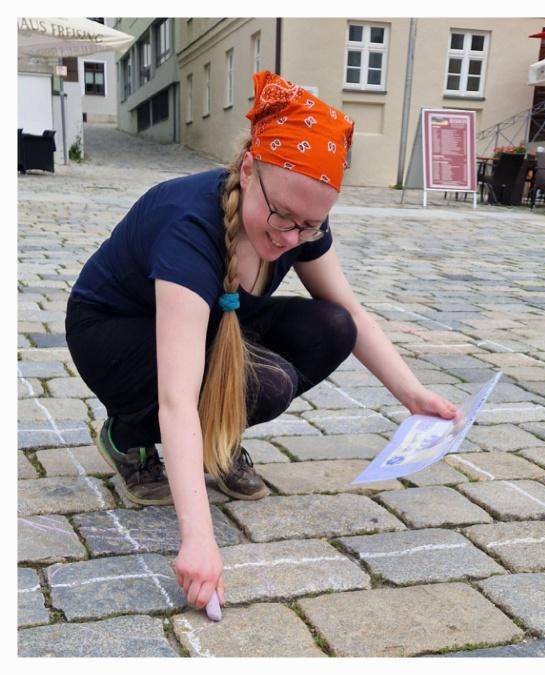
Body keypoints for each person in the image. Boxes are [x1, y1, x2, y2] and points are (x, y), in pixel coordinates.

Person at [64, 71, 458, 611]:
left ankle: (218, 441)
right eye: (282, 217)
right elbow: (180, 399)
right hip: (113, 334)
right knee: (264, 384)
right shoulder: (188, 225)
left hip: (211, 323)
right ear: (249, 170)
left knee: (330, 329)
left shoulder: (297, 221)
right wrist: (199, 538)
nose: (291, 237)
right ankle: (128, 434)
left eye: (310, 226)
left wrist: (414, 396)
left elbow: (351, 313)